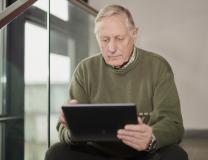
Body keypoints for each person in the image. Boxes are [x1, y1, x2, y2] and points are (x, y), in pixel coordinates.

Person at [45, 4, 188, 160]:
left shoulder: (158, 66)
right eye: (105, 40)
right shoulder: (84, 70)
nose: (111, 48)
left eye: (119, 38)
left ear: (134, 34)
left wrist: (151, 138)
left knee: (176, 155)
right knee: (56, 153)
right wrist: (72, 130)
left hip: (143, 153)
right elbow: (64, 131)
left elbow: (173, 124)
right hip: (96, 152)